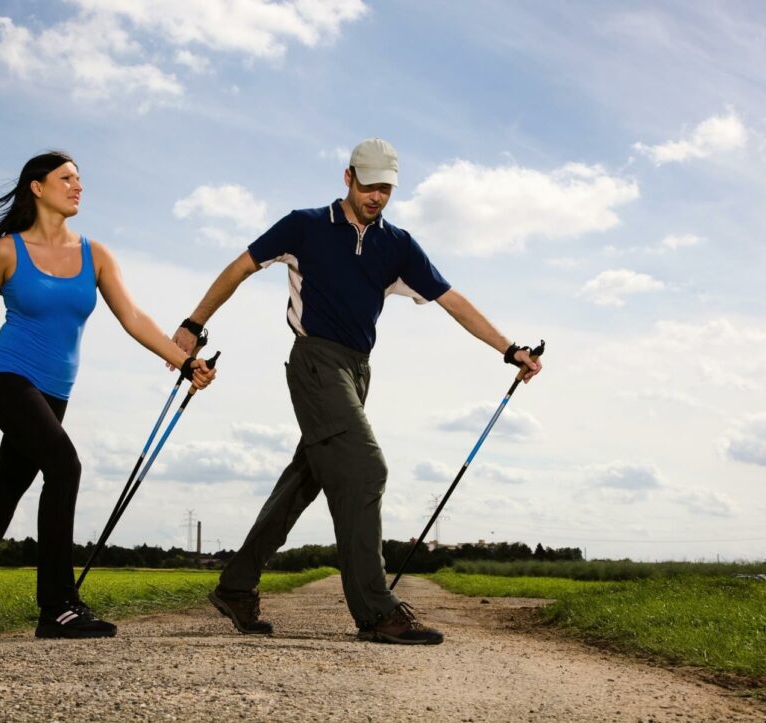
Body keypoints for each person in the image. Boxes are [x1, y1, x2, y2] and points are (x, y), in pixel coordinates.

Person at [172, 138, 541, 645]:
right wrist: (193, 323)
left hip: (357, 370)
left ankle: (236, 586)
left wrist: (508, 348)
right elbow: (240, 267)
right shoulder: (303, 225)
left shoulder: (398, 245)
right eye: (369, 186)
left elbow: (451, 299)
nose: (377, 197)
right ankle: (375, 610)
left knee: (303, 481)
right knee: (367, 467)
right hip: (316, 362)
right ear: (348, 177)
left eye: (386, 188)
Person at [0, 151, 216, 641]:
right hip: (6, 378)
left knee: (3, 498)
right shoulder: (5, 252)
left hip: (54, 391)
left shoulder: (95, 254)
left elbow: (133, 318)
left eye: (80, 180)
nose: (77, 187)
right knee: (65, 466)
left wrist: (184, 359)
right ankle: (58, 606)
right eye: (66, 179)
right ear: (37, 188)